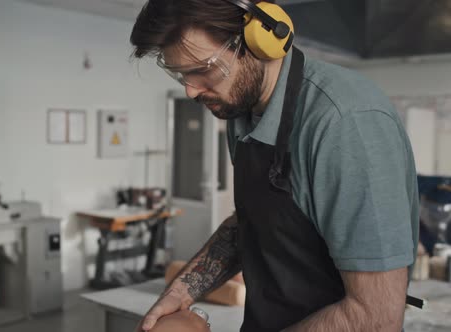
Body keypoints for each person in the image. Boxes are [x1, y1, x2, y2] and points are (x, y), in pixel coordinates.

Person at [129, 0, 419, 331]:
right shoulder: (240, 113)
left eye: (203, 68)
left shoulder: (346, 123)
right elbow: (255, 221)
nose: (191, 90)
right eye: (180, 74)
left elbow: (375, 316)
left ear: (259, 39)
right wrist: (181, 291)